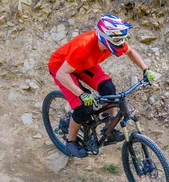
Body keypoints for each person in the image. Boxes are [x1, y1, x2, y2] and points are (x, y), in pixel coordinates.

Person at [48, 14, 155, 158]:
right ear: (105, 37)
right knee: (83, 107)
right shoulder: (83, 47)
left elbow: (130, 51)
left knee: (108, 89)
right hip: (61, 67)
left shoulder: (114, 42)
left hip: (86, 64)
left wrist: (145, 69)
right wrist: (81, 94)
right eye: (117, 40)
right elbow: (62, 74)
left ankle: (108, 128)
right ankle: (70, 141)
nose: (120, 44)